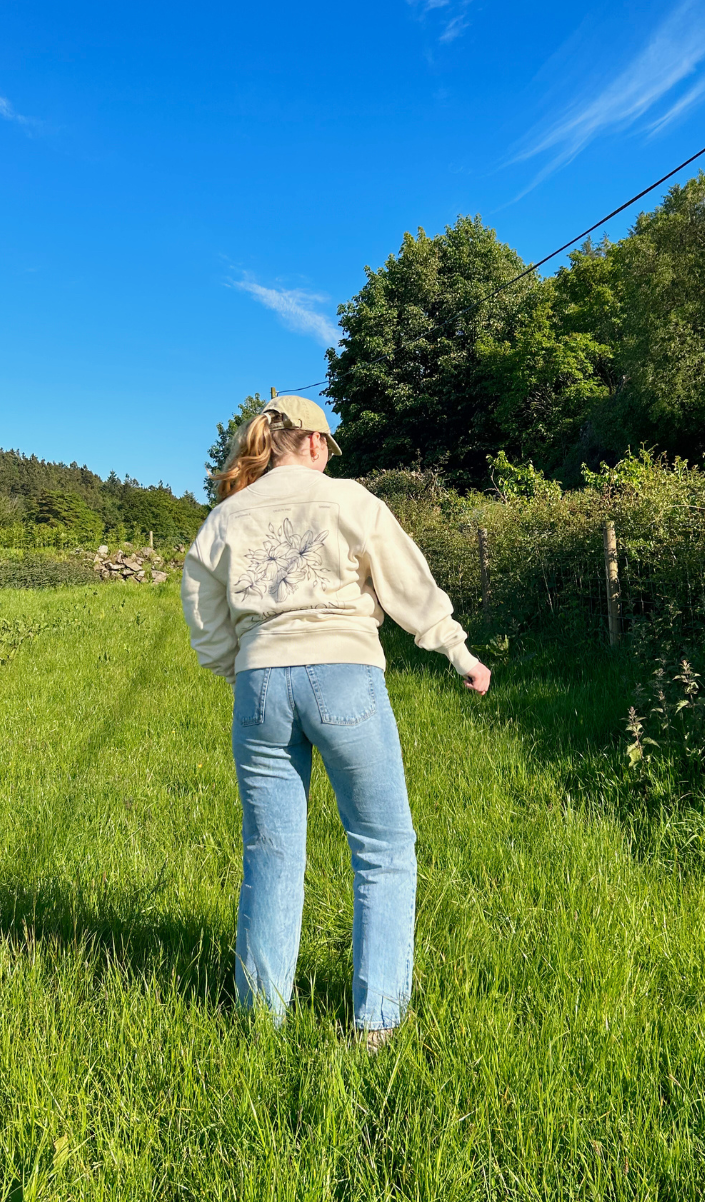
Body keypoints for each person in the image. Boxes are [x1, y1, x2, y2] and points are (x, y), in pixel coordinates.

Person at [181, 394, 490, 1049]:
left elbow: (202, 609)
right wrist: (456, 649)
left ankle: (259, 1023)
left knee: (271, 856)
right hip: (345, 673)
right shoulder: (350, 499)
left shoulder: (227, 515)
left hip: (261, 684)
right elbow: (407, 584)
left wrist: (235, 666)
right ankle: (375, 1024)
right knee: (382, 850)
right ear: (316, 443)